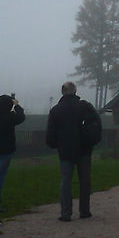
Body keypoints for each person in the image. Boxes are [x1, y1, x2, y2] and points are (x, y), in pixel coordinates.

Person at [46, 82, 101, 222]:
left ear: (62, 92)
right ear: (75, 91)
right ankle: (84, 211)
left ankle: (66, 213)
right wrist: (92, 141)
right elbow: (97, 124)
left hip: (65, 150)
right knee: (85, 180)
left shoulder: (56, 110)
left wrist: (53, 144)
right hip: (84, 149)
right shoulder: (85, 106)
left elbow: (51, 134)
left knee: (66, 181)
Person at [0, 93, 26, 212]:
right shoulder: (10, 117)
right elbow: (21, 117)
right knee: (1, 176)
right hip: (6, 150)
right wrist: (17, 105)